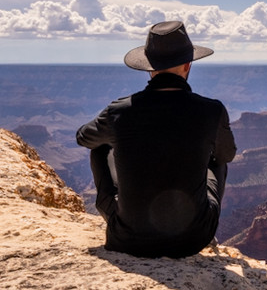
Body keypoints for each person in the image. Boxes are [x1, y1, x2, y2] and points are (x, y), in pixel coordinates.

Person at [76, 20, 236, 257]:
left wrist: (120, 138)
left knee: (99, 147)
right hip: (192, 240)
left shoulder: (119, 111)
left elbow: (83, 137)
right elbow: (227, 155)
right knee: (218, 159)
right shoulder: (212, 111)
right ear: (188, 66)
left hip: (129, 239)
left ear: (149, 69)